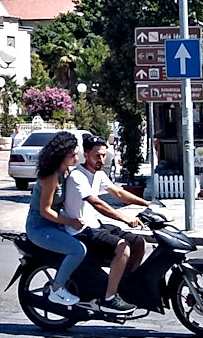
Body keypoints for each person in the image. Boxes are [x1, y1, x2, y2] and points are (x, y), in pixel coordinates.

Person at [65, 134, 150, 315]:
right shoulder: (77, 176)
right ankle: (109, 298)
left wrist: (147, 204)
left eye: (104, 155)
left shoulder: (99, 174)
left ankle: (122, 285)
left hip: (95, 225)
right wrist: (125, 218)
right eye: (97, 156)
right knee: (123, 248)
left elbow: (118, 193)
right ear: (86, 155)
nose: (101, 160)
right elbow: (97, 203)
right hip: (80, 229)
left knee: (139, 243)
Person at [24, 131, 88, 308]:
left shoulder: (65, 172)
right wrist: (71, 222)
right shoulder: (51, 176)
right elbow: (45, 211)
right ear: (61, 155)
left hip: (54, 225)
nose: (76, 158)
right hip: (40, 227)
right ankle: (57, 289)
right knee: (78, 250)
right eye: (73, 155)